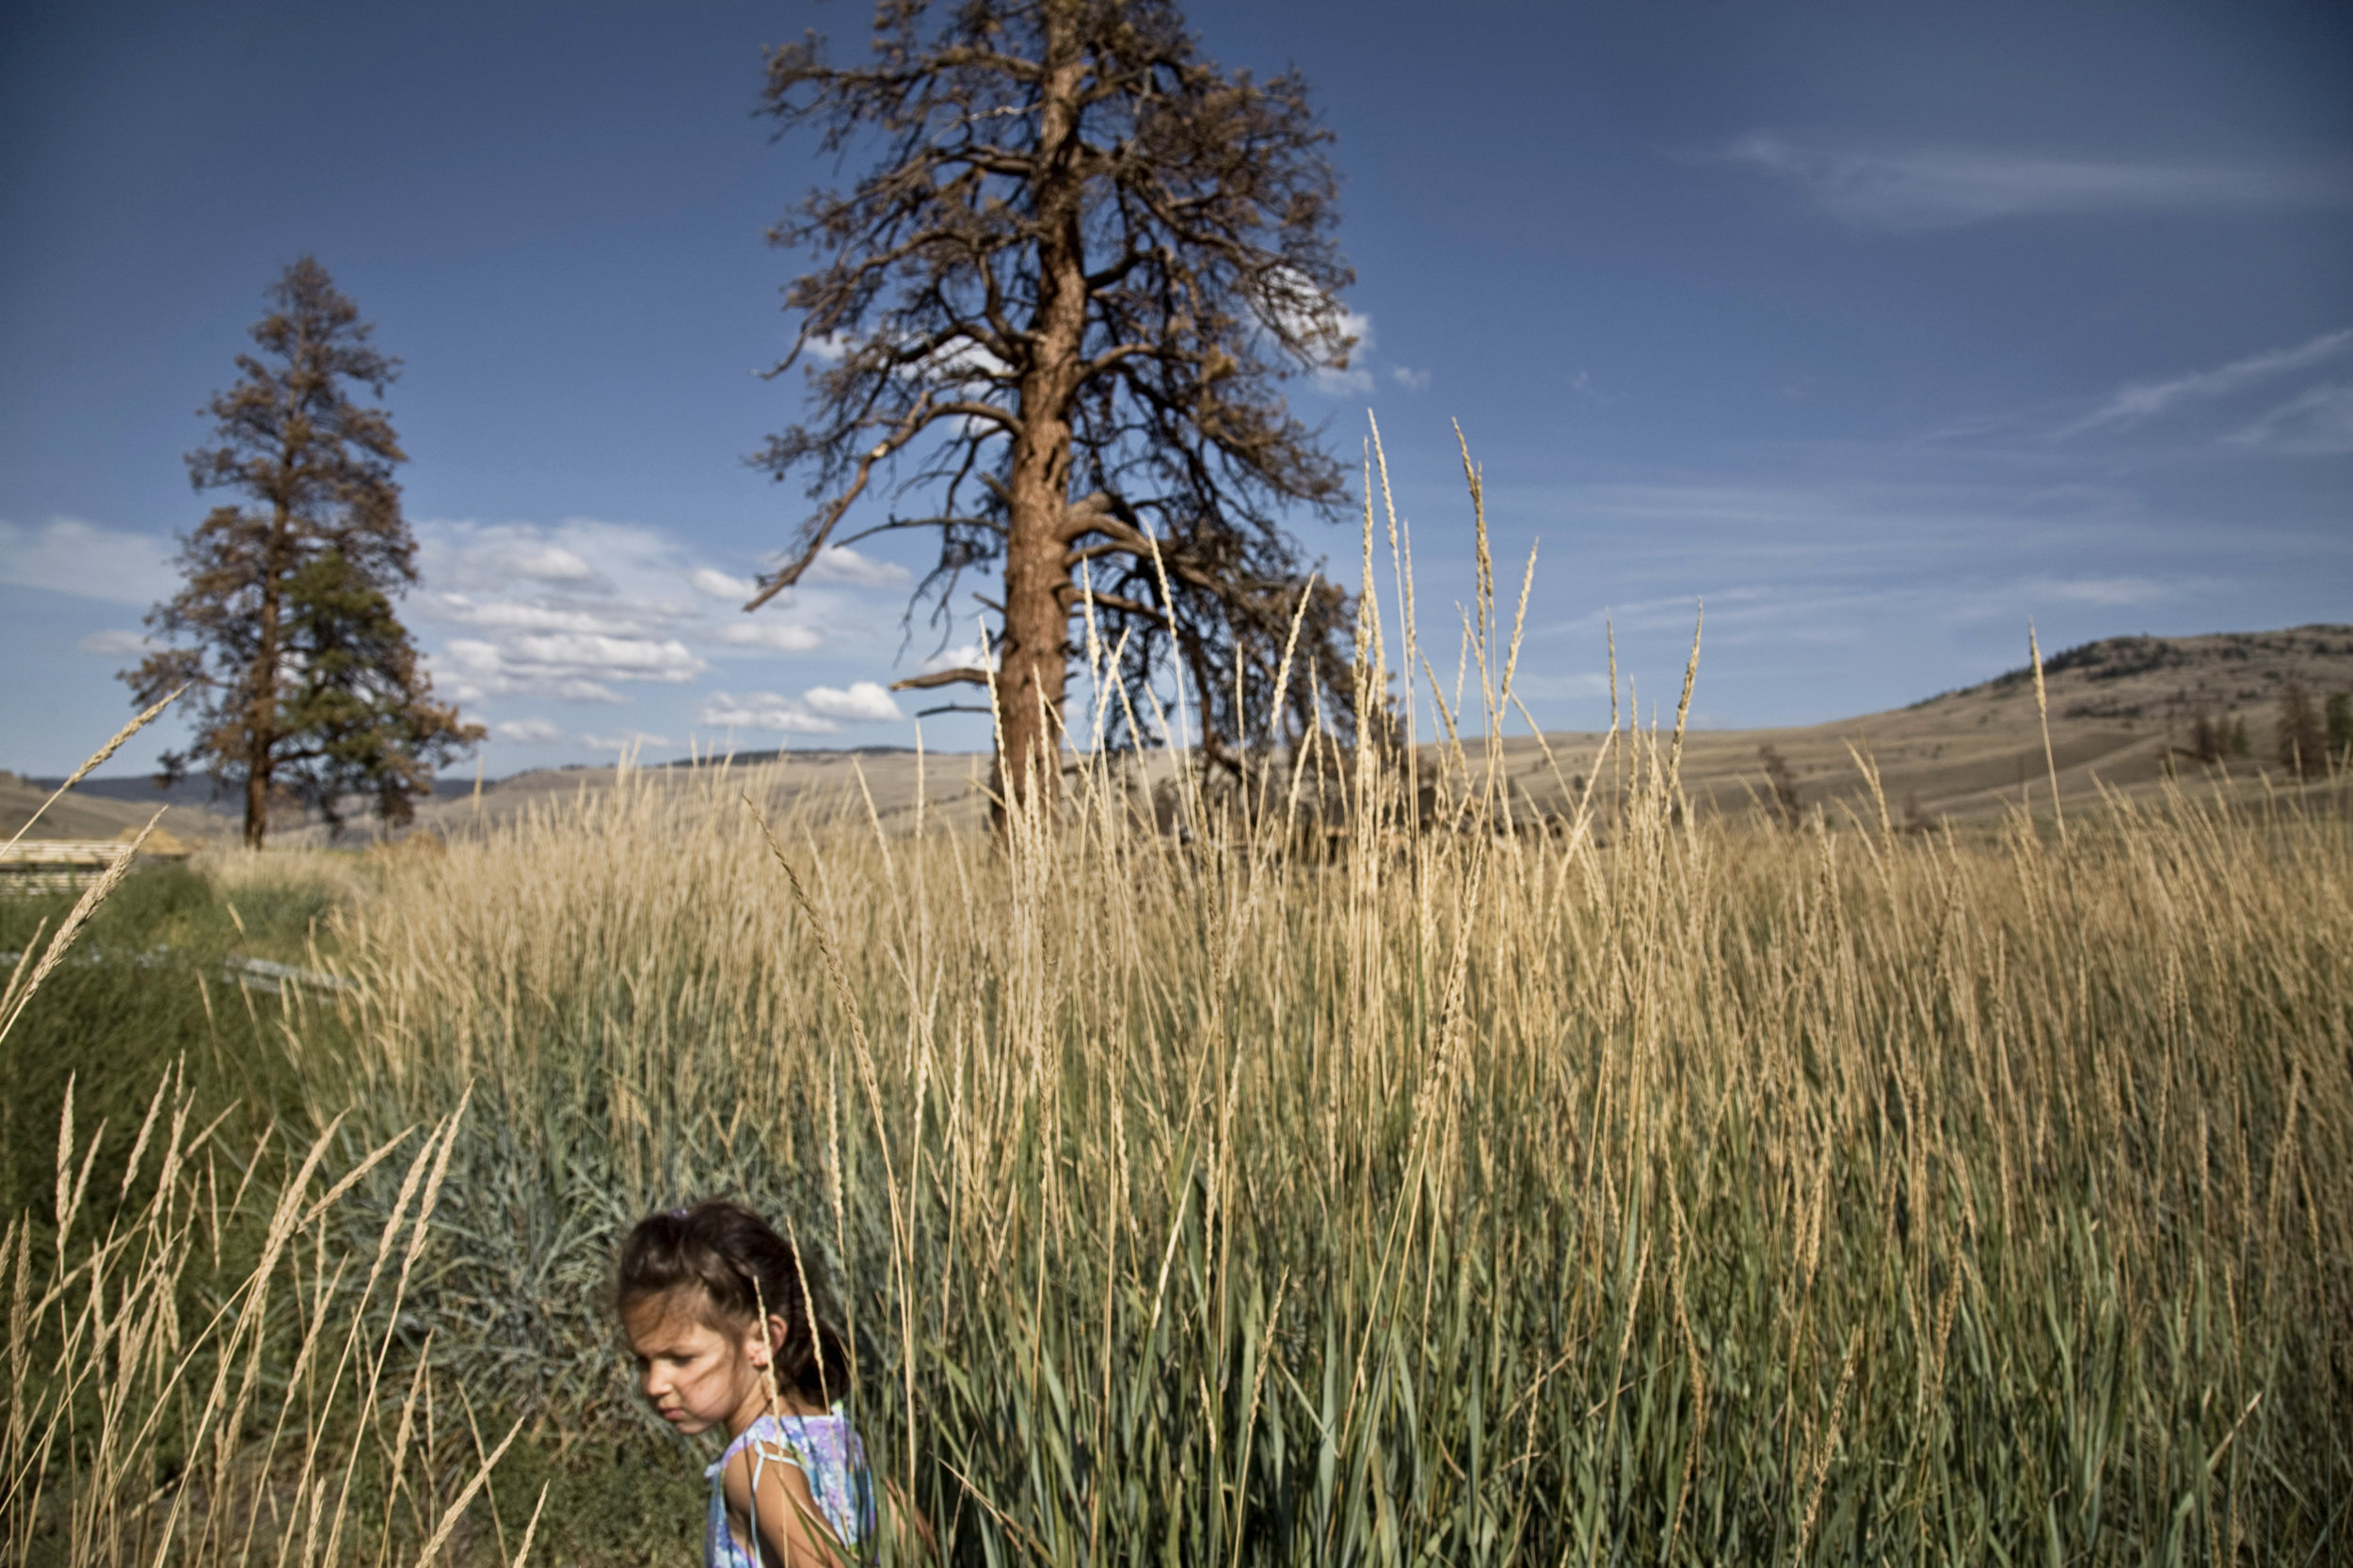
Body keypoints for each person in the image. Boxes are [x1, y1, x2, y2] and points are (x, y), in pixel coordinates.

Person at [617, 1201, 876, 1567]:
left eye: (681, 1359)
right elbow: (916, 1538)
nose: (655, 1384)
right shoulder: (840, 1442)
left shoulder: (756, 1463)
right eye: (643, 1361)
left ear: (764, 1341)